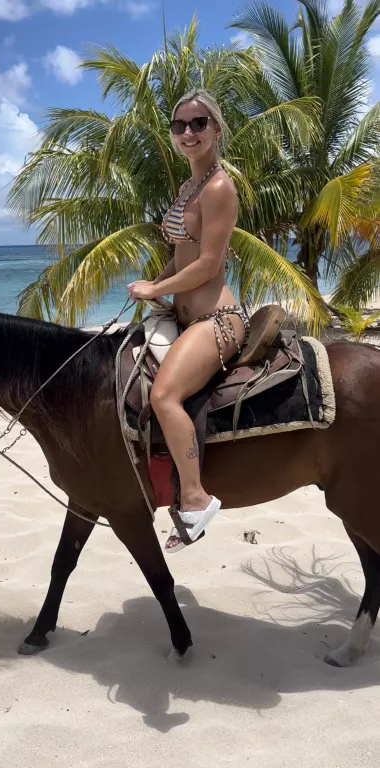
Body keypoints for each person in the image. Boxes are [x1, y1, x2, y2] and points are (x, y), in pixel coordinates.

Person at [127, 89, 249, 553]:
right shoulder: (188, 188)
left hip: (216, 319)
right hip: (180, 313)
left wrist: (156, 290)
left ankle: (196, 499)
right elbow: (183, 256)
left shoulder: (219, 187)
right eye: (179, 125)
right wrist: (156, 286)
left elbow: (209, 263)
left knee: (164, 395)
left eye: (199, 123)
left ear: (217, 129)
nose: (188, 133)